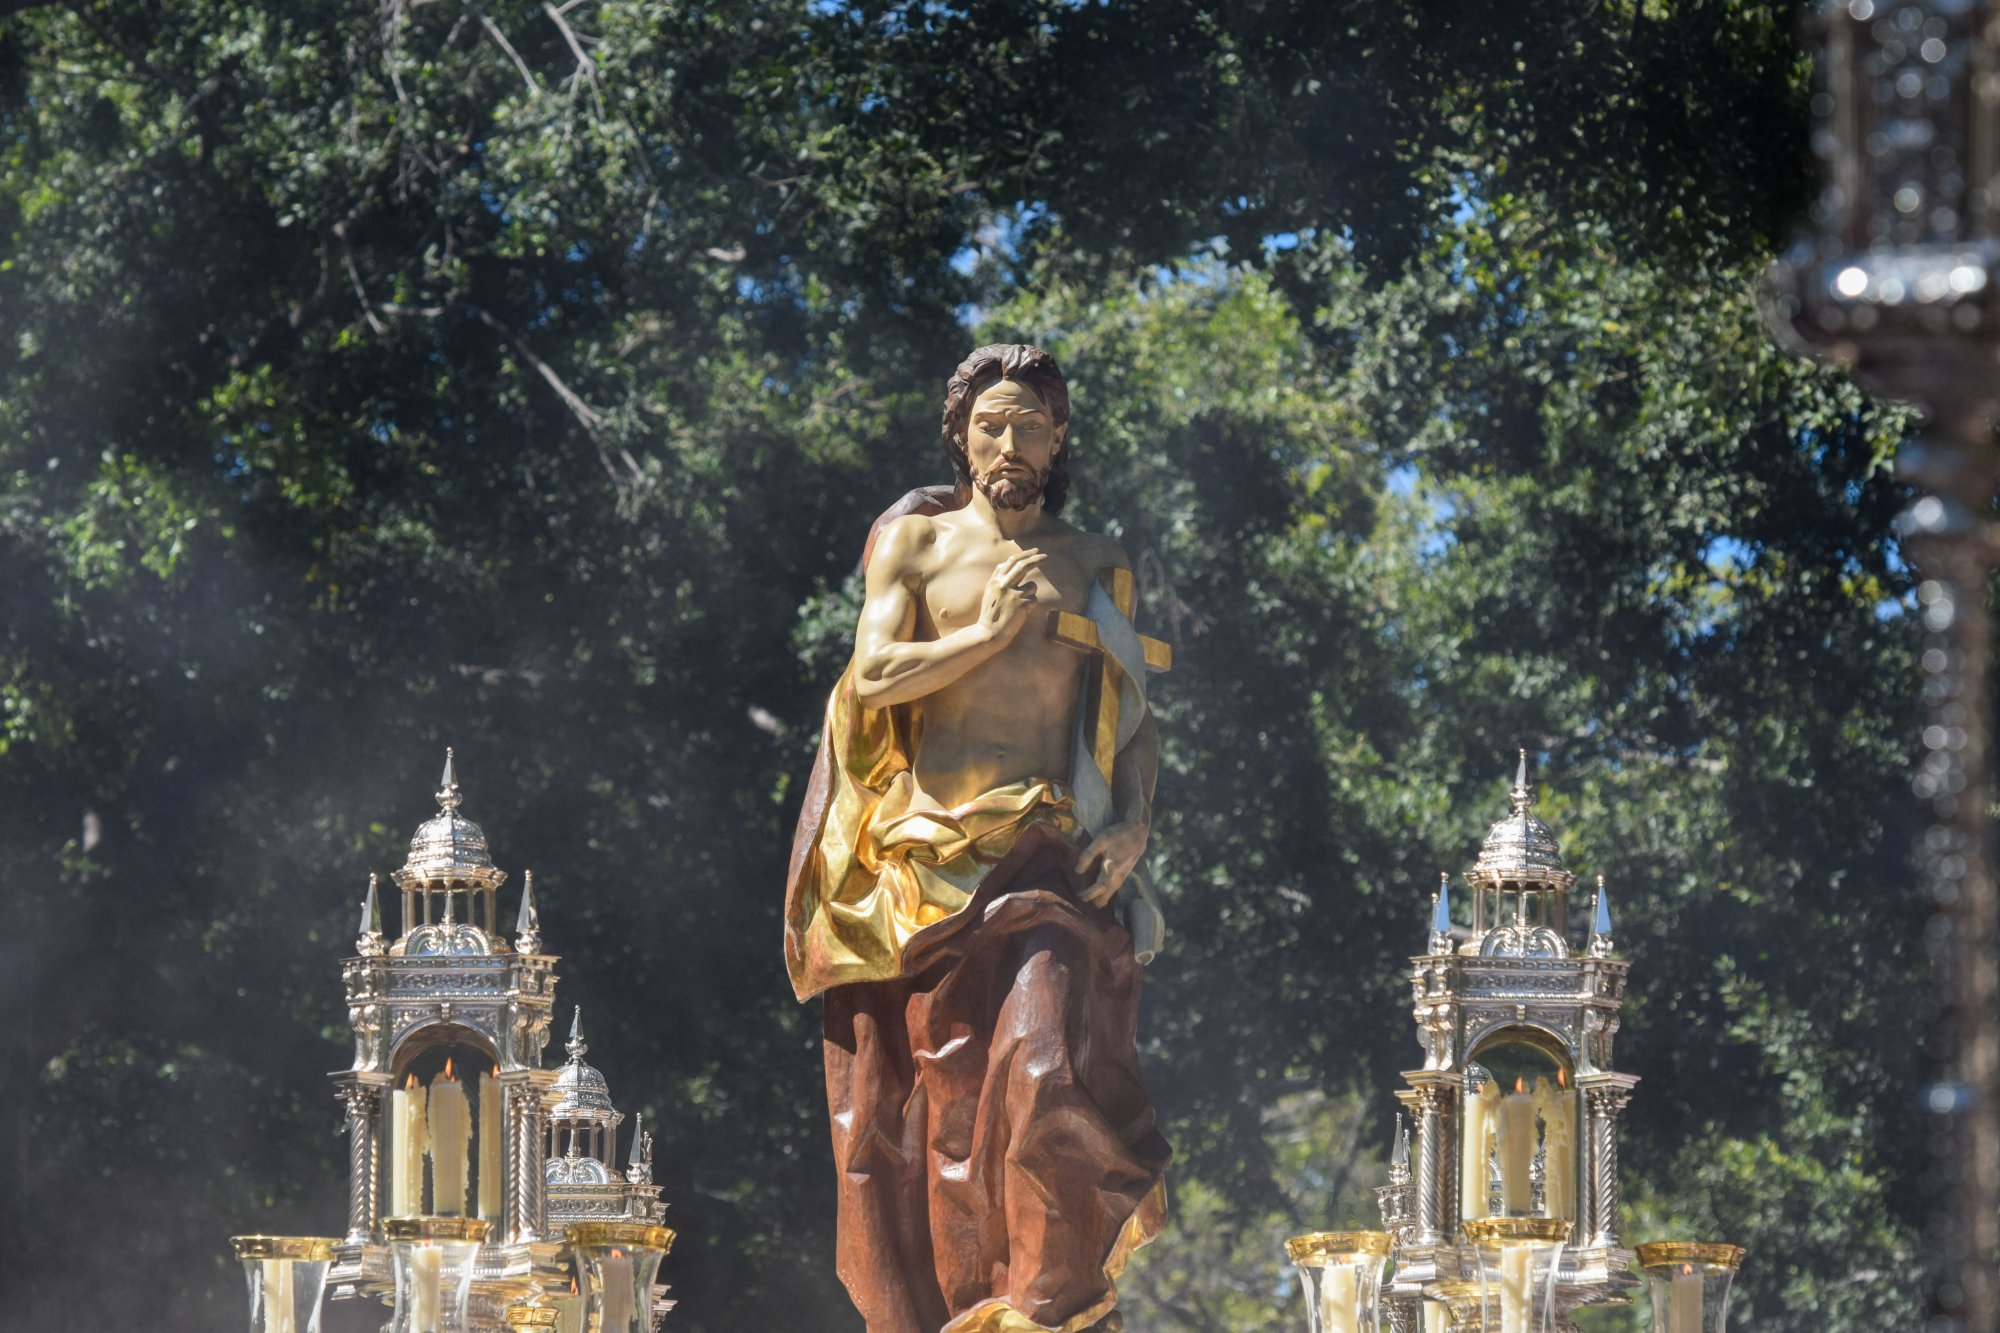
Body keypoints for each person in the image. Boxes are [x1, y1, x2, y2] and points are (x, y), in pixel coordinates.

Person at [784, 344, 1172, 1333]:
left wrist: (1133, 823)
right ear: (959, 437)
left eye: (1028, 424)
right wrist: (986, 635)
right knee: (941, 1116)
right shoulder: (914, 547)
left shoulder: (1097, 563)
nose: (1008, 443)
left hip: (1047, 858)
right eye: (989, 425)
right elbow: (872, 676)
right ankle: (961, 1308)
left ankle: (1043, 1311)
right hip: (925, 868)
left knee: (1043, 1065)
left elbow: (1130, 716)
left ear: (1058, 437)